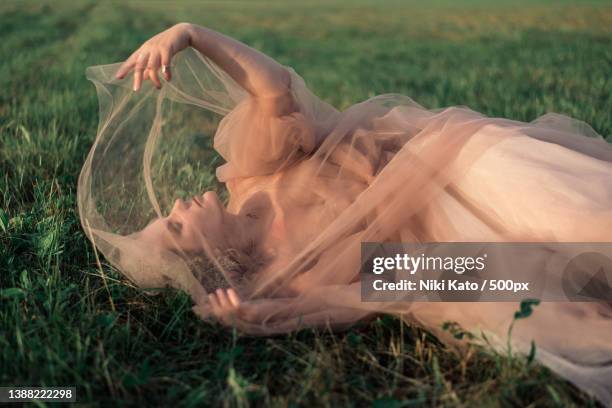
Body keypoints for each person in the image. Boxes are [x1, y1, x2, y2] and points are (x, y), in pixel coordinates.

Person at [79, 23, 612, 404]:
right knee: (551, 295)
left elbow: (273, 88)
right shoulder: (291, 268)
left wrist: (190, 34)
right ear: (209, 260)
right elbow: (380, 289)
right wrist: (257, 316)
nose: (176, 203)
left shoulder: (252, 175)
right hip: (436, 244)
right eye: (175, 226)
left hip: (454, 163)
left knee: (583, 216)